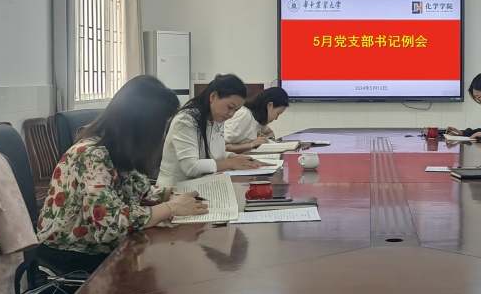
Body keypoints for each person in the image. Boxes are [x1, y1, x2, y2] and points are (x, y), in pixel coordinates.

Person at [36, 75, 209, 273]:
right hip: (72, 254)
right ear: (142, 125)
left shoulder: (117, 150)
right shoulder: (92, 154)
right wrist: (171, 208)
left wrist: (172, 194)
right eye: (162, 124)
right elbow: (111, 225)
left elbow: (139, 192)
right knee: (170, 269)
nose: (163, 133)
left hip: (99, 247)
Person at [157, 73, 269, 187]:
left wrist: (239, 158)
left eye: (235, 110)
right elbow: (191, 167)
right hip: (174, 190)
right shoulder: (186, 120)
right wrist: (231, 163)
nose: (231, 114)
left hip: (200, 186)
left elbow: (217, 154)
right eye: (230, 107)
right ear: (213, 97)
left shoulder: (216, 118)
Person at [223, 87, 290, 153]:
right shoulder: (245, 116)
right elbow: (223, 146)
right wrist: (251, 144)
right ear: (270, 105)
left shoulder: (258, 119)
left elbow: (270, 133)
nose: (276, 118)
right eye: (278, 114)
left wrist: (265, 139)